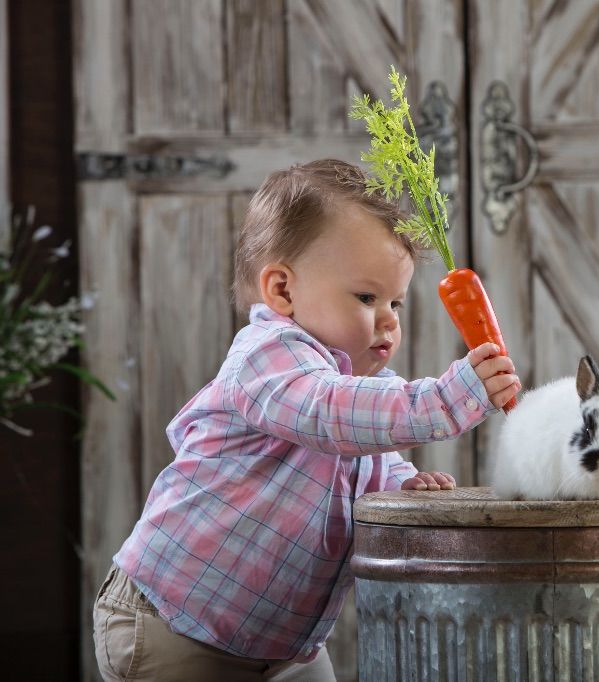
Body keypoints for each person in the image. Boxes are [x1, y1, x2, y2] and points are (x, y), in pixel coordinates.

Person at [92, 159, 520, 681]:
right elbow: (327, 413)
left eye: (396, 302)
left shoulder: (367, 397)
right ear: (283, 291)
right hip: (174, 622)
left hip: (281, 645)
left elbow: (365, 471)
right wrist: (445, 401)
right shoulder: (266, 356)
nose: (388, 319)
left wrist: (408, 484)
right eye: (366, 297)